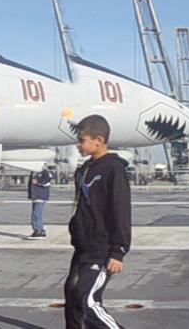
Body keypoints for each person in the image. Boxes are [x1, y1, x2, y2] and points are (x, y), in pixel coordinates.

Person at [63, 115, 132, 329]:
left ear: (99, 140)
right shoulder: (84, 169)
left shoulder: (113, 170)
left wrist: (118, 251)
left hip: (102, 247)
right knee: (73, 295)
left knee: (87, 301)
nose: (78, 145)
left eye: (82, 140)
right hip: (83, 245)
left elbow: (120, 210)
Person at [27, 164, 54, 240]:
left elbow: (47, 182)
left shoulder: (45, 172)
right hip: (35, 196)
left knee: (36, 214)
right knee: (35, 214)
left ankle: (38, 231)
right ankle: (39, 230)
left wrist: (38, 182)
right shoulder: (33, 172)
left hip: (40, 196)